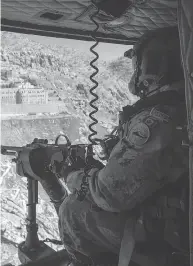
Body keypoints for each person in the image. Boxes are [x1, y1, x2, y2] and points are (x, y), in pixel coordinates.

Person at [30, 27, 189, 266]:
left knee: (73, 209)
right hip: (176, 218)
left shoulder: (159, 119)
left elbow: (109, 194)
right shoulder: (182, 107)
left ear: (152, 67)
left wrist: (72, 174)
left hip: (170, 235)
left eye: (137, 64)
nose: (135, 72)